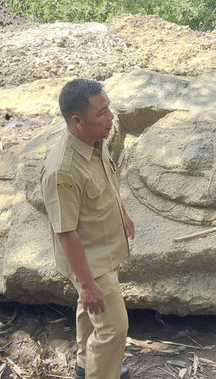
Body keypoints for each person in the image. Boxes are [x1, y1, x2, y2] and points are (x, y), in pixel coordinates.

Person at [40, 79, 135, 379]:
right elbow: (65, 233)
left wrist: (123, 214)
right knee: (114, 328)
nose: (111, 118)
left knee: (92, 310)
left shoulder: (93, 141)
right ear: (77, 121)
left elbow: (106, 182)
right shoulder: (63, 170)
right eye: (102, 113)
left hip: (103, 246)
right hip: (90, 260)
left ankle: (85, 365)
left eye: (109, 109)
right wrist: (87, 283)